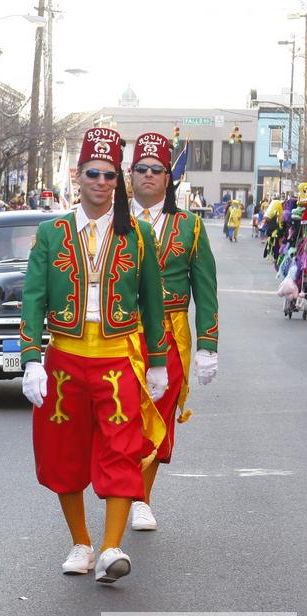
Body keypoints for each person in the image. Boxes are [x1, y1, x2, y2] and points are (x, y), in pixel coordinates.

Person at [19, 127, 169, 585]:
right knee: (63, 455)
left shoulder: (138, 235)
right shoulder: (52, 233)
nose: (101, 182)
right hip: (64, 359)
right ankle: (82, 542)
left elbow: (152, 302)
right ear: (77, 176)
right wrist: (30, 357)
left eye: (108, 175)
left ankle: (111, 547)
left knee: (121, 452)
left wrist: (159, 360)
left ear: (117, 180)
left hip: (119, 358)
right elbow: (33, 297)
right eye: (92, 174)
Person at [128, 132, 219, 531]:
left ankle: (140, 498)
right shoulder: (112, 223)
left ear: (169, 177)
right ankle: (123, 489)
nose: (149, 175)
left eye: (157, 170)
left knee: (159, 414)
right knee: (123, 414)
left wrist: (208, 345)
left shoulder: (191, 227)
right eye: (141, 169)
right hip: (122, 331)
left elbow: (206, 288)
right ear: (129, 175)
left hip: (172, 332)